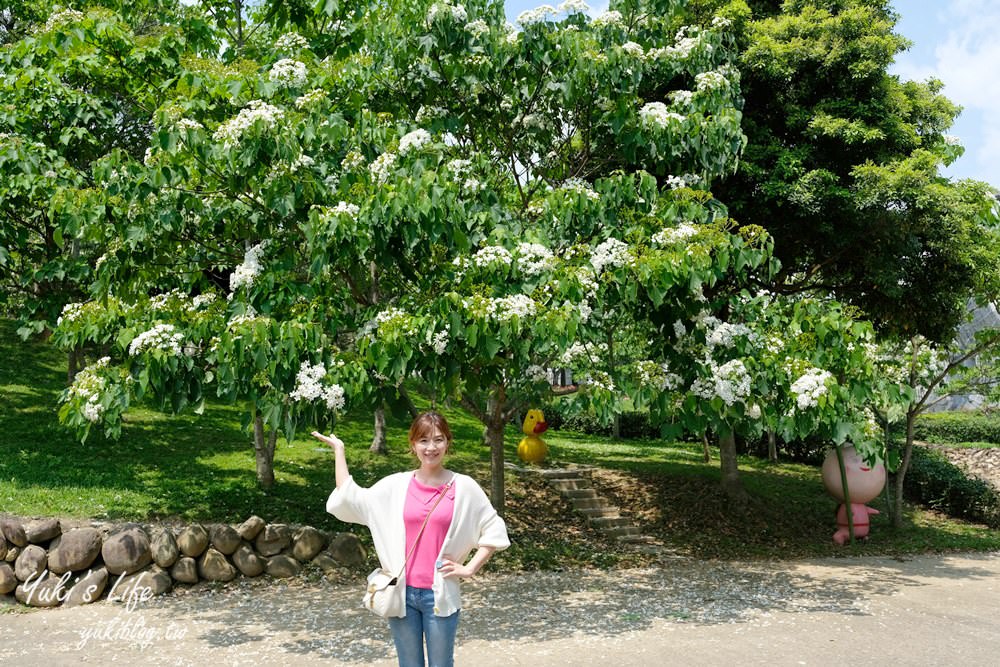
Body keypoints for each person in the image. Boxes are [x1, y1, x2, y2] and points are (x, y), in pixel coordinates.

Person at [313, 412, 509, 667]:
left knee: (441, 664)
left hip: (439, 593)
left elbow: (493, 527)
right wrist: (339, 450)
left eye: (438, 440)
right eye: (423, 440)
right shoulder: (396, 486)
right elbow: (351, 497)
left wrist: (470, 568)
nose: (431, 447)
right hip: (402, 593)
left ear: (447, 443)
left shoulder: (464, 487)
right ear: (413, 444)